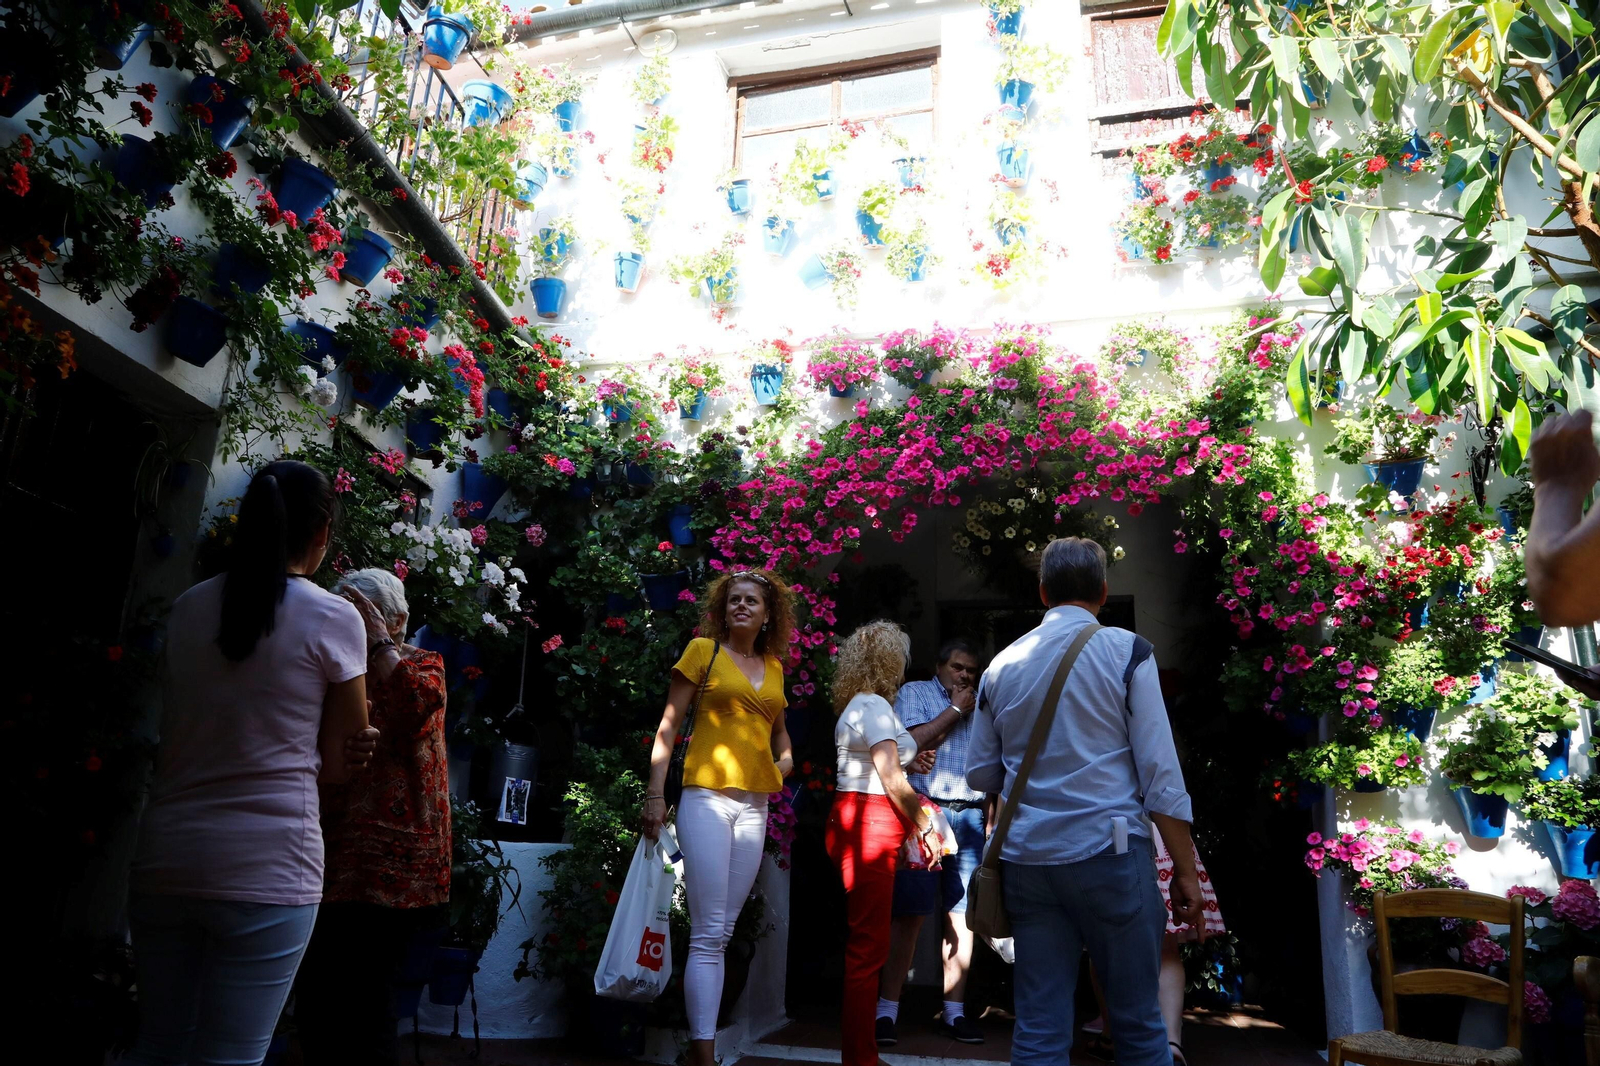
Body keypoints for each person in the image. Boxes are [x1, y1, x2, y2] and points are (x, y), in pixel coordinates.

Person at [125, 460, 376, 1066]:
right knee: (232, 1056)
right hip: (270, 869)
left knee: (159, 1046)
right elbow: (341, 767)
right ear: (320, 532)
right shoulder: (334, 616)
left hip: (167, 859)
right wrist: (352, 741)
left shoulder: (188, 608)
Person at [965, 537, 1205, 1066]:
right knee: (1139, 1025)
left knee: (1039, 1029)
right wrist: (1184, 870)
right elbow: (1161, 774)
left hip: (1028, 861)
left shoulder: (1000, 666)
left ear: (1043, 590)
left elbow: (981, 772)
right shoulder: (1128, 651)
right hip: (1111, 853)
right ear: (1102, 590)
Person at [297, 568, 451, 1066]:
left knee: (371, 1003)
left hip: (395, 874)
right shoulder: (335, 673)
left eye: (361, 616)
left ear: (398, 621)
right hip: (332, 857)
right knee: (319, 996)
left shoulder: (423, 665)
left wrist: (381, 641)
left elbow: (414, 708)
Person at [643, 569, 796, 1066]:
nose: (743, 606)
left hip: (755, 804)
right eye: (734, 600)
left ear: (768, 612)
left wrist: (784, 763)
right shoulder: (702, 652)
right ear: (723, 608)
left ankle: (698, 1050)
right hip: (706, 797)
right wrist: (654, 794)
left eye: (752, 600)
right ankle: (704, 1055)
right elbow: (668, 726)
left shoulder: (773, 667)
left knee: (723, 932)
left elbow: (782, 738)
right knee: (710, 932)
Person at [829, 621, 935, 1066]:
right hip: (869, 821)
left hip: (865, 818)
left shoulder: (869, 705)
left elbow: (890, 765)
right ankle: (860, 1058)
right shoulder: (872, 704)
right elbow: (889, 777)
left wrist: (914, 757)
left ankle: (862, 1052)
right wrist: (924, 824)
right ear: (889, 660)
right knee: (868, 946)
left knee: (868, 942)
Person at [876, 639, 987, 1046]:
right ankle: (886, 1012)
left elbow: (994, 757)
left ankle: (954, 1013)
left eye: (970, 671)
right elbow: (907, 746)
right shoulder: (915, 693)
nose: (964, 677)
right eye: (957, 668)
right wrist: (955, 710)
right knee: (910, 913)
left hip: (970, 814)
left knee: (961, 916)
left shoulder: (983, 702)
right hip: (922, 813)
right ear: (940, 667)